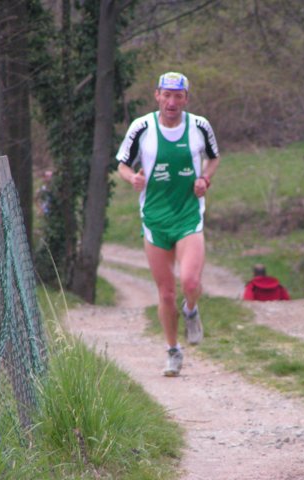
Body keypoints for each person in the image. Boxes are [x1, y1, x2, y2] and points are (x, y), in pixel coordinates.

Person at [116, 72, 221, 377]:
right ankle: (173, 351)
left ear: (186, 99)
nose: (172, 102)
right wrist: (132, 178)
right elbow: (122, 164)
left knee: (190, 282)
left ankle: (191, 310)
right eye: (167, 95)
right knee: (165, 293)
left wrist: (204, 179)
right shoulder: (142, 127)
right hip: (155, 219)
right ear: (157, 96)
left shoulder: (199, 126)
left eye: (178, 96)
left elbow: (214, 158)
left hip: (188, 215)